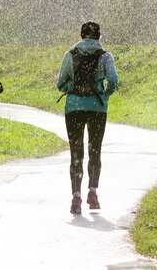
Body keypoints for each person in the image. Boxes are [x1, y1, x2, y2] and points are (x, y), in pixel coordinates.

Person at [56, 22, 118, 215]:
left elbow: (60, 84)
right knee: (95, 149)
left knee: (76, 152)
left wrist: (72, 89)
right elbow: (113, 79)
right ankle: (92, 192)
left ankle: (76, 196)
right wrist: (104, 95)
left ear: (81, 35)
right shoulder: (105, 56)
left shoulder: (70, 55)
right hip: (97, 108)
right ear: (99, 37)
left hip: (74, 107)